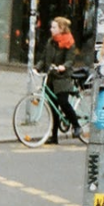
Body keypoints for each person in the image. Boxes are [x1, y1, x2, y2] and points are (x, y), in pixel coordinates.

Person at [36, 16, 82, 144]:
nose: (51, 29)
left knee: (63, 103)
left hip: (62, 78)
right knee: (53, 108)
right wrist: (37, 68)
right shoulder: (50, 42)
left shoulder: (69, 42)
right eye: (51, 27)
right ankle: (54, 136)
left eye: (54, 27)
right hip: (51, 78)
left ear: (61, 29)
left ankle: (76, 125)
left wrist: (64, 66)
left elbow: (70, 60)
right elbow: (44, 58)